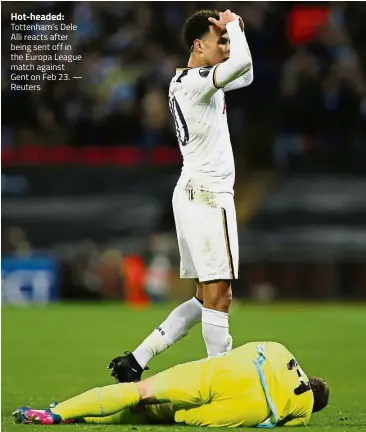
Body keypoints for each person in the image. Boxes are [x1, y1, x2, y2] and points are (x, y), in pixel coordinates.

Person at [108, 8, 254, 384]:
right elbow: (242, 63)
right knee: (220, 296)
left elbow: (246, 72)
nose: (224, 46)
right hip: (207, 194)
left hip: (193, 192)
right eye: (217, 40)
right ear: (197, 44)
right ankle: (220, 381)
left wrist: (235, 36)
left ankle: (136, 360)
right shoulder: (195, 82)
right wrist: (235, 27)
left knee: (206, 298)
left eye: (225, 40)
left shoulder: (191, 81)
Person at [13, 341, 329, 427]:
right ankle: (76, 416)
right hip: (250, 409)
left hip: (235, 371)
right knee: (162, 413)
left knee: (142, 393)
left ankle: (58, 413)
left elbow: (248, 349)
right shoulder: (304, 411)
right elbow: (288, 423)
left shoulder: (282, 350)